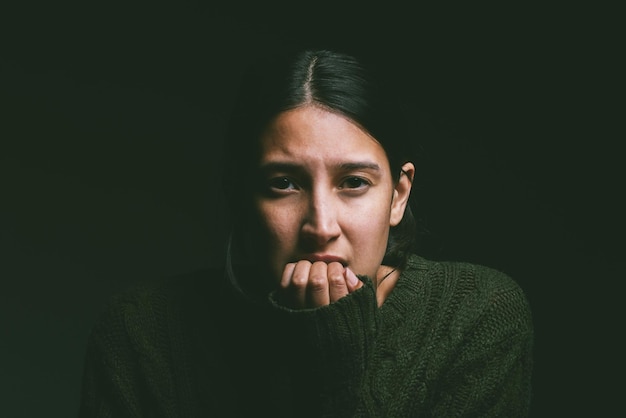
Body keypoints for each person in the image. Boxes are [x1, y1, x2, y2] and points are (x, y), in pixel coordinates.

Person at [78, 47, 534, 417]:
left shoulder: (476, 314)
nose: (321, 226)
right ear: (241, 198)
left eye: (354, 183)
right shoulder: (142, 333)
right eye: (284, 184)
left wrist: (330, 367)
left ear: (397, 196)